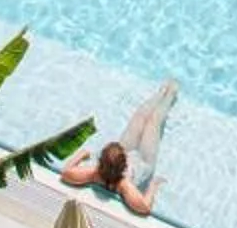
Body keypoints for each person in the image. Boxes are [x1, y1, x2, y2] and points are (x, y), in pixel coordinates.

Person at [62, 80, 179, 216]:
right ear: (123, 166)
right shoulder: (124, 185)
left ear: (101, 162)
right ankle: (170, 94)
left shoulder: (93, 173)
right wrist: (153, 186)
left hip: (125, 156)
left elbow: (66, 172)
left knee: (140, 116)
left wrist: (80, 155)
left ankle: (160, 94)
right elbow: (145, 207)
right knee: (153, 123)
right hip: (143, 162)